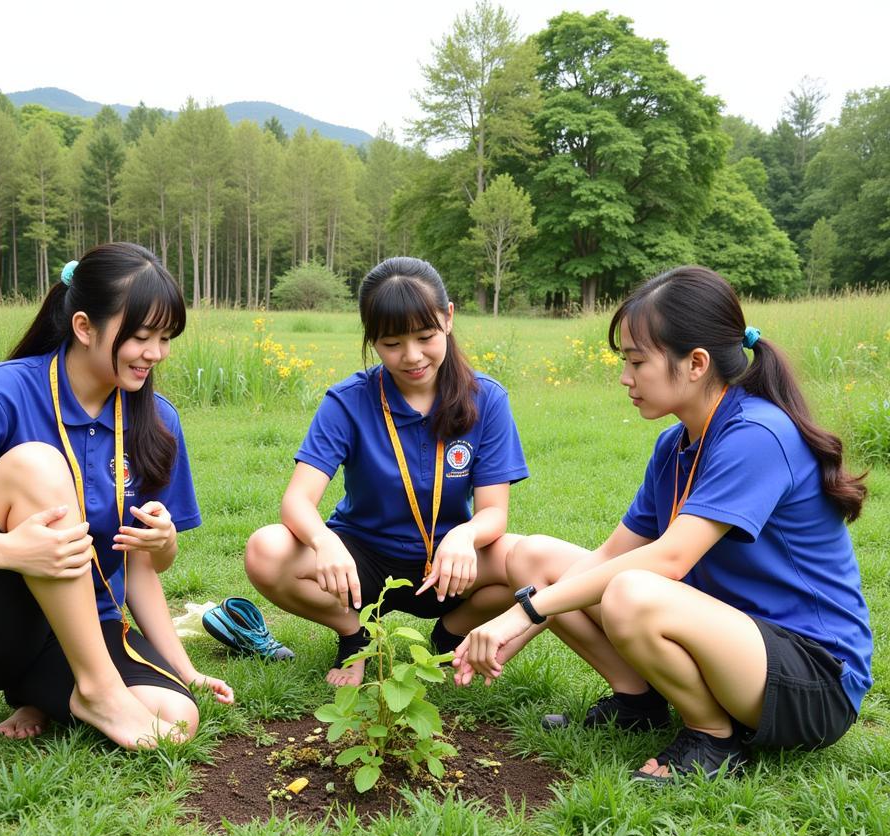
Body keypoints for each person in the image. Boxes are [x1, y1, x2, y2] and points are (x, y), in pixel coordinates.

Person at [454, 265, 872, 782]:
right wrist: (531, 612)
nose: (626, 378)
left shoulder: (757, 435)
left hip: (814, 680)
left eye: (636, 362)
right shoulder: (675, 446)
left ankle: (715, 738)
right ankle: (638, 704)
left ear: (695, 363)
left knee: (631, 593)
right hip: (734, 644)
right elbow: (607, 556)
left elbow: (669, 558)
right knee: (537, 558)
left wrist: (527, 611)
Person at [0, 243, 233, 750]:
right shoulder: (2, 393)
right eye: (142, 336)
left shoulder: (157, 423)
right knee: (39, 464)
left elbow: (143, 568)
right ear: (85, 327)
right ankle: (99, 689)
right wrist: (9, 550)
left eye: (166, 338)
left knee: (175, 722)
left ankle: (45, 691)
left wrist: (184, 667)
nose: (156, 353)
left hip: (76, 627)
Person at [245, 256, 529, 686]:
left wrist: (465, 535)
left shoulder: (486, 399)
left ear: (448, 318)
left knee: (532, 561)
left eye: (425, 336)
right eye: (392, 343)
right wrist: (323, 541)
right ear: (372, 339)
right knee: (265, 550)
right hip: (361, 562)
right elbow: (297, 500)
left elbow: (494, 512)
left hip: (449, 565)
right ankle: (353, 634)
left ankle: (450, 635)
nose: (412, 356)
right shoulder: (347, 400)